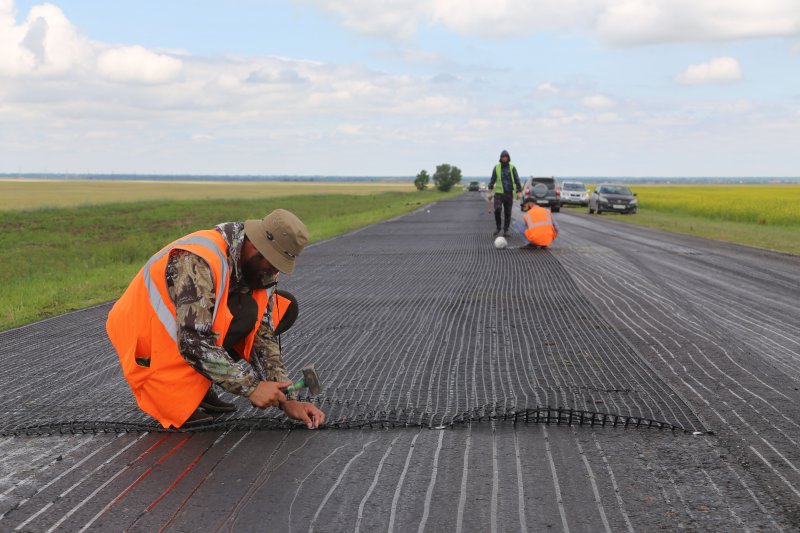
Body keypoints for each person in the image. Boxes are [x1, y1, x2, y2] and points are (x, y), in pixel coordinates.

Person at [106, 209, 326, 429]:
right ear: (256, 247)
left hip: (182, 336)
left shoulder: (258, 268)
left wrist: (288, 400)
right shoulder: (197, 260)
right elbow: (193, 340)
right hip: (145, 343)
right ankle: (174, 391)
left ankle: (199, 386)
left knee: (270, 309)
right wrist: (251, 387)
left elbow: (262, 336)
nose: (272, 272)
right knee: (243, 311)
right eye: (271, 264)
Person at [487, 150, 522, 237]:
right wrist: (490, 191)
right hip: (498, 194)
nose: (504, 158)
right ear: (501, 158)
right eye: (503, 157)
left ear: (508, 158)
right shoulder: (497, 167)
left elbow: (517, 180)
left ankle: (505, 230)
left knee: (508, 213)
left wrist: (518, 191)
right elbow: (493, 179)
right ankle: (498, 227)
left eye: (506, 157)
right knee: (497, 210)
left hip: (509, 194)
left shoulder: (512, 168)